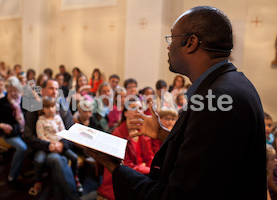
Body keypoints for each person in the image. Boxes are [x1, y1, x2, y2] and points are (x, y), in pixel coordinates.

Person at [86, 6, 266, 199]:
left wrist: (114, 167)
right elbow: (208, 154)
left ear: (191, 42)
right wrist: (163, 134)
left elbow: (179, 195)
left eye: (172, 38)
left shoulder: (214, 99)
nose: (168, 46)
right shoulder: (234, 83)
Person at [24, 79, 80, 200]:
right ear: (43, 91)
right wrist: (48, 145)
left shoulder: (63, 108)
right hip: (42, 149)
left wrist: (62, 145)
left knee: (60, 161)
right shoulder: (34, 109)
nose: (54, 92)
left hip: (61, 147)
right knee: (57, 161)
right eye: (51, 88)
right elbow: (28, 137)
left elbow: (71, 133)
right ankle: (73, 196)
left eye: (56, 89)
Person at [97, 99, 154, 200]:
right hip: (122, 180)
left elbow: (149, 157)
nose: (138, 111)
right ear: (126, 113)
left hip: (141, 176)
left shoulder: (143, 132)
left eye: (140, 108)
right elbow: (125, 166)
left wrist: (152, 171)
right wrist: (149, 170)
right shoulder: (118, 134)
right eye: (133, 108)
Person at [0, 76, 27, 190]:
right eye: (11, 90)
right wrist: (1, 125)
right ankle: (12, 177)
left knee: (31, 145)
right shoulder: (1, 102)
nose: (13, 93)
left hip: (21, 131)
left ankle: (24, 173)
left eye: (16, 90)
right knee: (22, 148)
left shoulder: (22, 101)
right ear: (7, 89)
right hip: (8, 134)